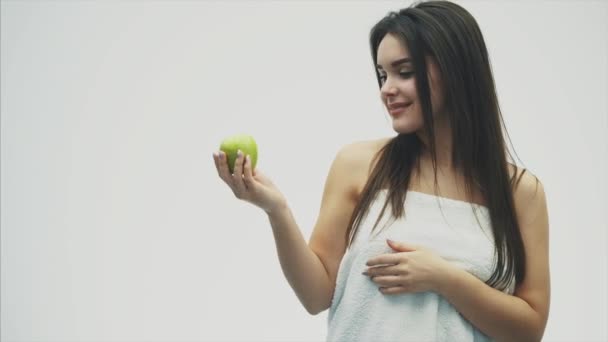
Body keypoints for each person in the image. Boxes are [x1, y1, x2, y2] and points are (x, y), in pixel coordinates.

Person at [212, 0, 550, 341]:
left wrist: (443, 278)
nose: (387, 88)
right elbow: (316, 296)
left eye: (405, 72)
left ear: (454, 71)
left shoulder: (521, 192)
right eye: (382, 74)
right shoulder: (359, 165)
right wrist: (276, 210)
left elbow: (529, 329)